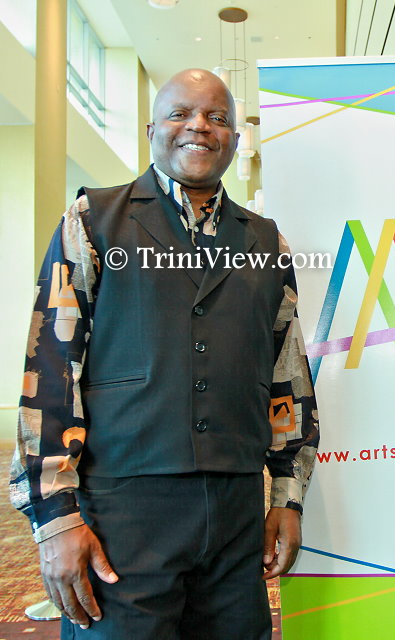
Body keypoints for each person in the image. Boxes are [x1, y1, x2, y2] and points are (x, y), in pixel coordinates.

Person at [10, 68, 319, 640]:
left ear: (234, 139)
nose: (199, 126)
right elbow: (51, 367)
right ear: (152, 129)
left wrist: (288, 496)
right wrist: (54, 517)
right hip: (122, 510)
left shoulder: (266, 241)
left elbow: (287, 373)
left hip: (235, 513)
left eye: (217, 118)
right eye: (181, 113)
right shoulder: (93, 221)